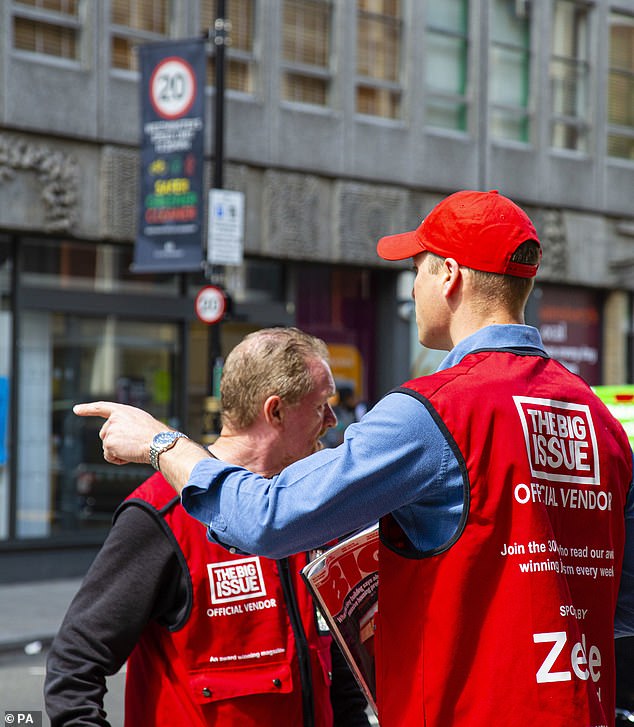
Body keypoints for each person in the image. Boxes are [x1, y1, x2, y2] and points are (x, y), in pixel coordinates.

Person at [74, 190, 634, 727]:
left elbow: (271, 518)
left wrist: (161, 443)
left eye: (416, 268)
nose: (412, 288)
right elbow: (623, 613)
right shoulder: (602, 422)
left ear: (448, 274)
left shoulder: (434, 412)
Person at [45, 327, 371, 727]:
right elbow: (73, 670)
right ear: (275, 411)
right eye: (322, 406)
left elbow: (338, 678)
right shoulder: (163, 514)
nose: (333, 421)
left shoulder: (306, 507)